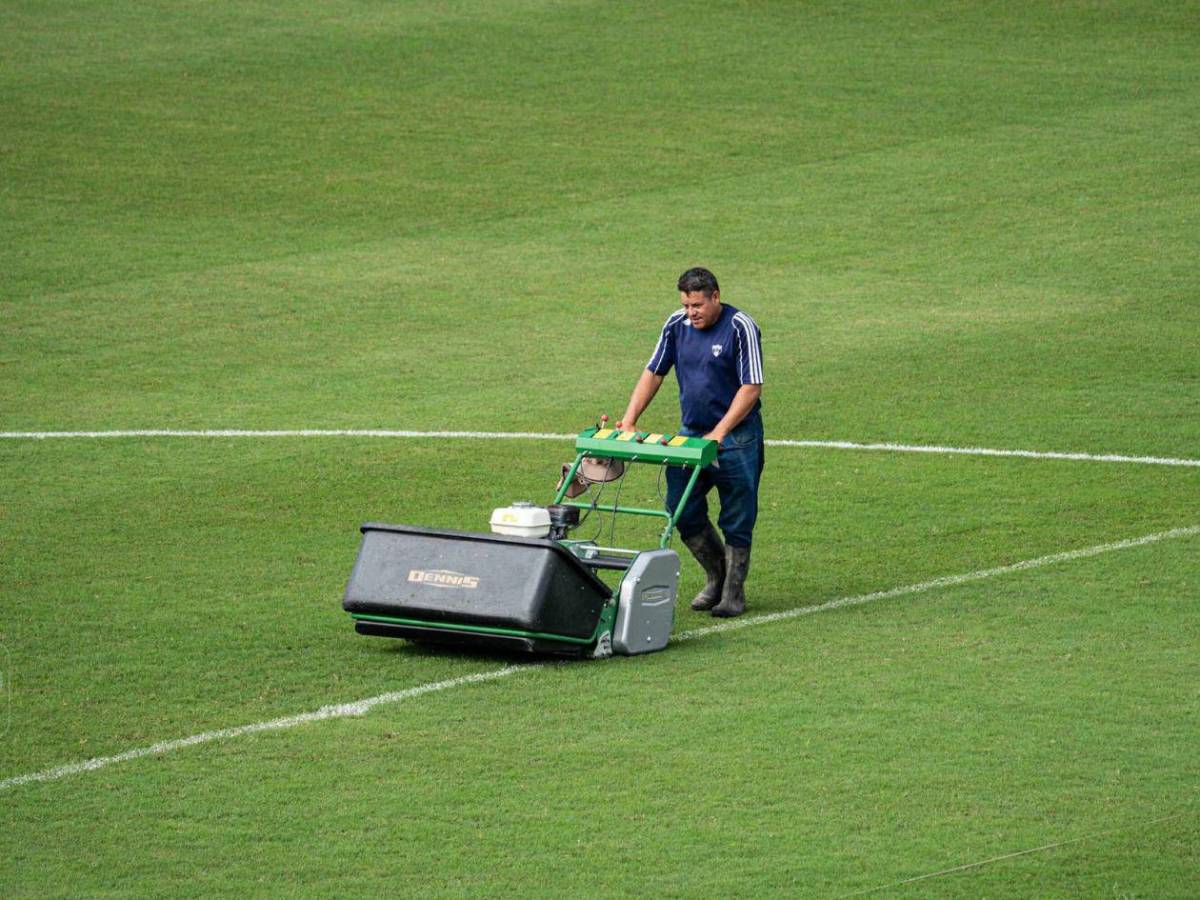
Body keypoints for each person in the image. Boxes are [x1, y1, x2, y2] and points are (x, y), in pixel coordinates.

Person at [617, 267, 764, 617]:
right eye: (686, 305)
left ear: (715, 296)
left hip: (737, 437)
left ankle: (732, 593)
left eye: (697, 305)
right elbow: (654, 371)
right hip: (691, 433)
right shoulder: (676, 324)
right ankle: (716, 576)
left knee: (737, 514)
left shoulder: (740, 327)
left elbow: (751, 387)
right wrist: (630, 419)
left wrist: (721, 430)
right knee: (681, 507)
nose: (691, 312)